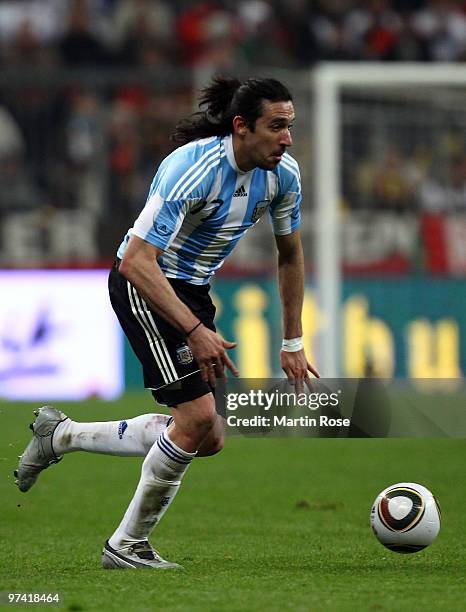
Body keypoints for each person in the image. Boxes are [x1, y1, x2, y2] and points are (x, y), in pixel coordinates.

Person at [15, 76, 319, 569]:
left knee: (210, 436)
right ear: (241, 127)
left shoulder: (284, 175)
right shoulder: (191, 169)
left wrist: (293, 340)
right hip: (144, 285)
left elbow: (290, 255)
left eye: (290, 127)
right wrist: (196, 332)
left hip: (192, 291)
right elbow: (136, 260)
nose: (286, 138)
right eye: (276, 126)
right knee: (197, 419)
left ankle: (61, 435)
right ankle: (127, 545)